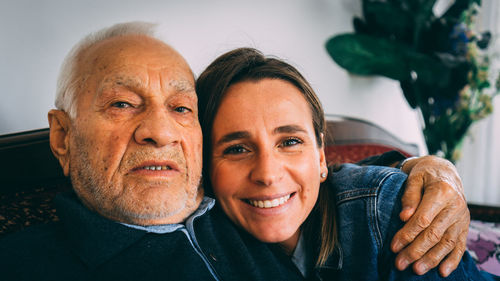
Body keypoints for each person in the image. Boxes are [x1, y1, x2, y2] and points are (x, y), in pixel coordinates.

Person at [0, 22, 469, 280]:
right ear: (62, 137)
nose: (160, 132)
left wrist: (424, 168)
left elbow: (341, 188)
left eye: (182, 107)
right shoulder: (23, 262)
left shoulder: (246, 216)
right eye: (122, 103)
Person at [195, 47, 497, 280]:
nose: (267, 174)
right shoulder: (195, 239)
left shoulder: (387, 208)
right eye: (237, 149)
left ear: (321, 156)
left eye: (289, 142)